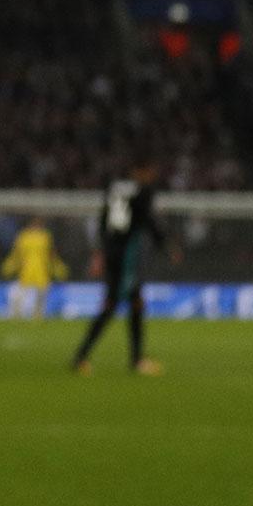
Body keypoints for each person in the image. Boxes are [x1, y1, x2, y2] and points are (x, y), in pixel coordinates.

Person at [73, 160, 171, 376]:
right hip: (127, 255)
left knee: (135, 302)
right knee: (112, 305)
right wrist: (165, 245)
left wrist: (101, 251)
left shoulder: (114, 189)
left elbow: (103, 220)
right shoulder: (144, 191)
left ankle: (136, 359)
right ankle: (81, 357)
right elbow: (149, 221)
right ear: (141, 171)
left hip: (113, 251)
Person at [2, 215, 67, 320]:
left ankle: (38, 315)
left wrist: (58, 268)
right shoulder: (24, 237)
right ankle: (16, 313)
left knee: (41, 293)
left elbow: (51, 254)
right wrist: (10, 266)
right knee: (21, 292)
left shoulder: (45, 237)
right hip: (27, 268)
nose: (36, 226)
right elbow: (17, 254)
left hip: (41, 268)